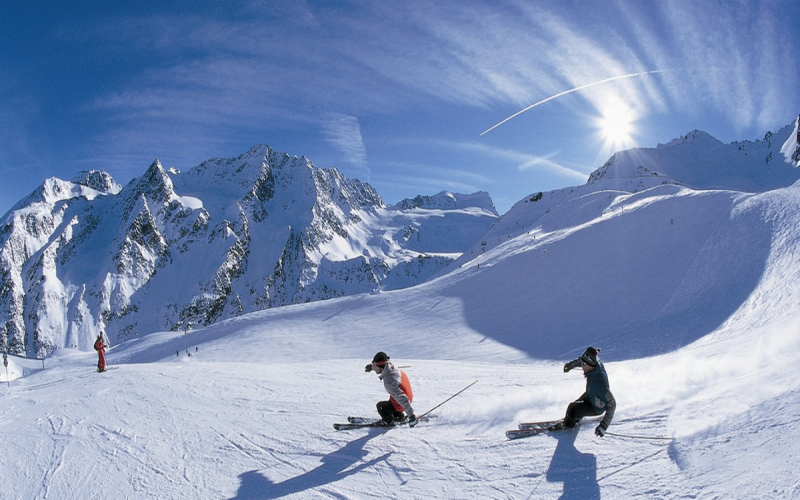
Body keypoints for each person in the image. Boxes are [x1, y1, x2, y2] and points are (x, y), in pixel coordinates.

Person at [560, 346, 616, 437]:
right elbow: (581, 360)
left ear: (590, 365)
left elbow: (612, 403)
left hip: (596, 406)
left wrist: (603, 426)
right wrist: (569, 366)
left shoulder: (600, 382)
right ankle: (574, 417)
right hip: (591, 394)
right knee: (575, 405)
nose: (581, 365)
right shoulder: (595, 364)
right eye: (582, 363)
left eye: (584, 364)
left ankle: (567, 425)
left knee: (572, 408)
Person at [364, 352, 416, 426]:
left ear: (379, 366)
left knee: (380, 407)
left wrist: (411, 416)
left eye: (374, 366)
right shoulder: (390, 365)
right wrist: (371, 367)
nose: (374, 367)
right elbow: (381, 364)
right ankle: (399, 416)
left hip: (404, 399)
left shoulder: (389, 381)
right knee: (392, 399)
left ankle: (389, 421)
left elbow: (402, 398)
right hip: (406, 394)